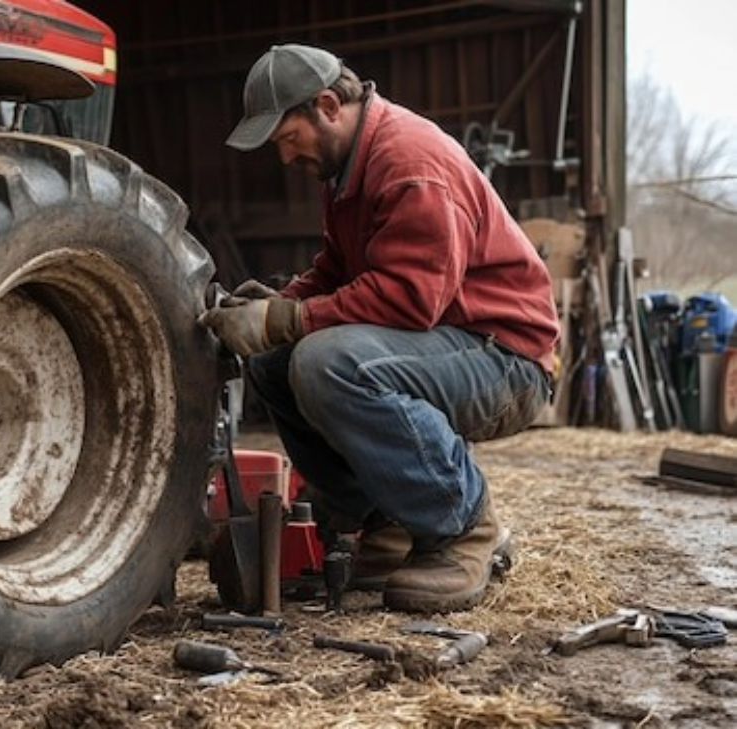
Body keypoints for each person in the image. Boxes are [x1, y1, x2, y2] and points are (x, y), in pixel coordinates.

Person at [200, 44, 558, 613]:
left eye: (288, 138)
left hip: (503, 358)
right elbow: (337, 271)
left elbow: (413, 298)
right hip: (446, 343)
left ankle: (464, 526)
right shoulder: (347, 171)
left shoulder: (410, 164)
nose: (285, 157)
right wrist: (279, 306)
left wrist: (288, 319)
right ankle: (385, 523)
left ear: (327, 106)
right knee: (274, 363)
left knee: (326, 362)